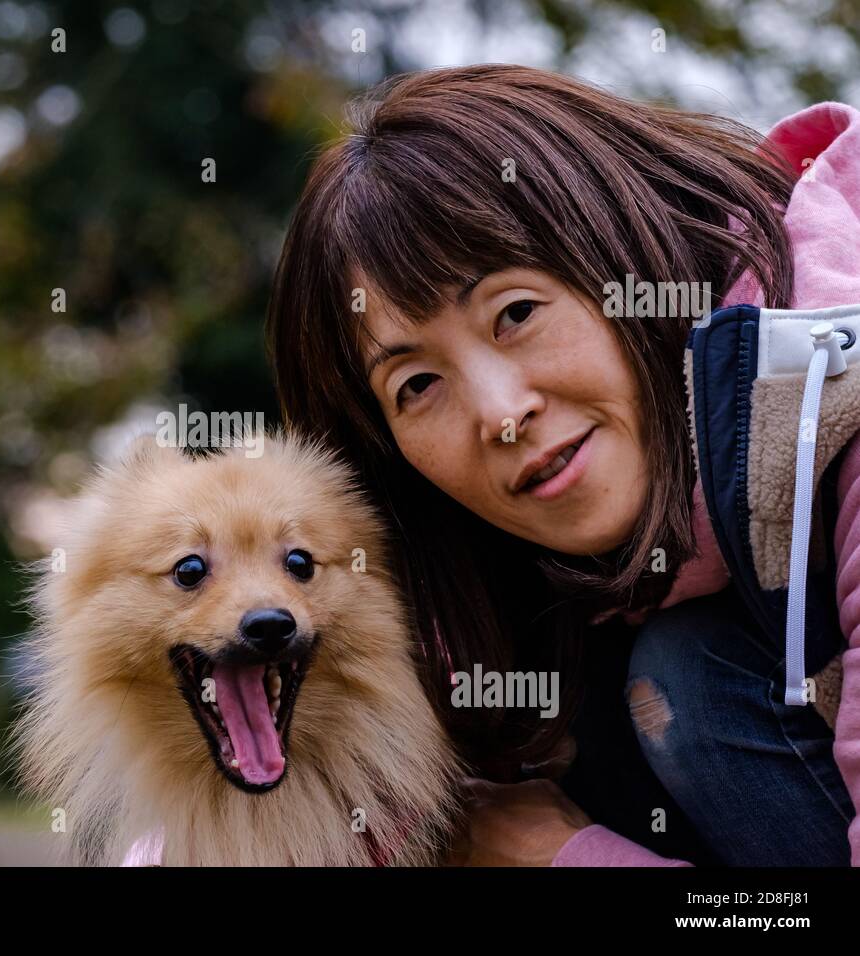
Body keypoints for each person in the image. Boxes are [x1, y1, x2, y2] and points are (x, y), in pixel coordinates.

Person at [266, 64, 860, 865]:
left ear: (627, 258)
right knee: (659, 681)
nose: (500, 413)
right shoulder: (511, 553)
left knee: (681, 677)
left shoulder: (841, 402)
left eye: (515, 312)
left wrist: (567, 857)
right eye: (416, 385)